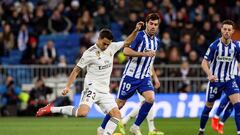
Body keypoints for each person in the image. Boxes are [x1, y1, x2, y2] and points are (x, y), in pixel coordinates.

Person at [36, 21, 144, 135]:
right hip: (91, 88)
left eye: (108, 44)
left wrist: (136, 30)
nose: (106, 46)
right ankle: (51, 109)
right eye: (104, 43)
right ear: (99, 39)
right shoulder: (89, 53)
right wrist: (67, 86)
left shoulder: (112, 47)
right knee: (82, 113)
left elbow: (128, 41)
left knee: (117, 114)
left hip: (104, 91)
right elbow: (76, 70)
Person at [98, 13, 161, 135]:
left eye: (156, 24)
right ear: (146, 23)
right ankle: (102, 128)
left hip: (144, 77)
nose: (153, 26)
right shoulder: (139, 36)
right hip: (130, 77)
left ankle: (135, 126)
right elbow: (125, 51)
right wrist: (143, 53)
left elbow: (150, 61)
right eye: (151, 24)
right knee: (119, 105)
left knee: (150, 99)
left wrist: (155, 77)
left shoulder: (156, 42)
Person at [198, 20, 240, 135]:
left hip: (230, 81)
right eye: (225, 29)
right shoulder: (215, 45)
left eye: (229, 30)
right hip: (215, 81)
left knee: (238, 105)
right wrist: (209, 74)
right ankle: (201, 131)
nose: (226, 32)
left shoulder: (236, 46)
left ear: (233, 31)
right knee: (208, 107)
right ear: (221, 30)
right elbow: (204, 62)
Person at [121, 67, 164, 135]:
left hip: (146, 77)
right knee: (147, 102)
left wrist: (155, 77)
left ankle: (125, 121)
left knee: (147, 102)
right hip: (139, 77)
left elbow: (150, 64)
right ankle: (150, 129)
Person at [211, 64, 240, 134]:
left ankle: (221, 123)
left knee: (234, 104)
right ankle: (216, 116)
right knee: (228, 96)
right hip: (235, 76)